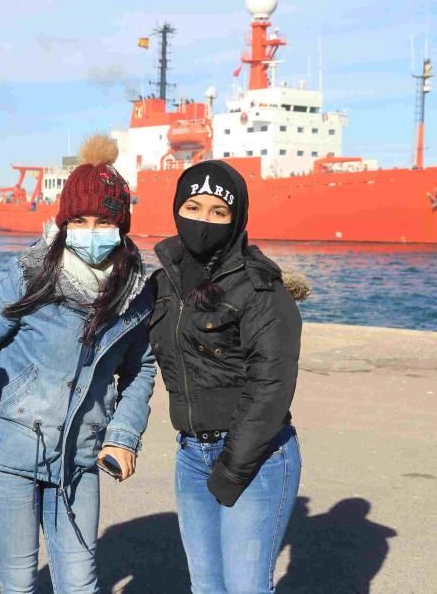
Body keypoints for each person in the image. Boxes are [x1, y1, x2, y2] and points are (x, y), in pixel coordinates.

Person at [0, 135, 156, 593]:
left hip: (79, 461)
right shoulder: (30, 273)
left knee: (80, 584)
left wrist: (123, 437)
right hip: (6, 455)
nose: (90, 229)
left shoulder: (138, 292)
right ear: (64, 221)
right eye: (79, 219)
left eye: (103, 220)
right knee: (19, 583)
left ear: (121, 223)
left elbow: (140, 368)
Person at [149, 161, 304, 594]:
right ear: (177, 208)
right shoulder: (163, 283)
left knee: (246, 588)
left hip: (257, 456)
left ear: (237, 220)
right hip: (190, 454)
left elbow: (271, 384)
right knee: (206, 588)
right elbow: (135, 356)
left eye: (219, 212)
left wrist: (234, 467)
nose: (204, 221)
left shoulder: (261, 289)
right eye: (194, 207)